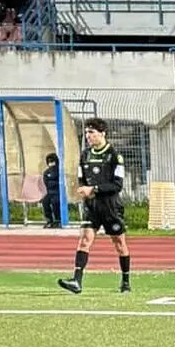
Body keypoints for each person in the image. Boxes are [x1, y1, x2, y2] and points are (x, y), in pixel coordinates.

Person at [57, 118, 131, 294]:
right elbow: (81, 178)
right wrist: (83, 189)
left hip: (111, 207)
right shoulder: (85, 155)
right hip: (92, 207)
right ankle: (77, 281)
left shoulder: (114, 156)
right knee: (84, 241)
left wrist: (94, 189)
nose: (88, 136)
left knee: (119, 244)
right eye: (86, 132)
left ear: (102, 133)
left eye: (91, 132)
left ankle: (125, 281)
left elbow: (117, 185)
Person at [41, 152, 60, 229]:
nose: (51, 164)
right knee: (45, 201)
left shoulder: (59, 170)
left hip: (58, 192)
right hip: (50, 192)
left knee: (55, 201)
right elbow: (46, 183)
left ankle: (58, 220)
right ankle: (49, 220)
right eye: (49, 162)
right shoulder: (46, 172)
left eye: (53, 161)